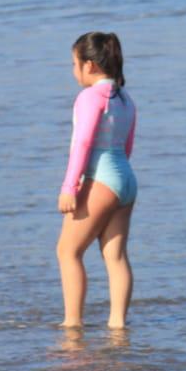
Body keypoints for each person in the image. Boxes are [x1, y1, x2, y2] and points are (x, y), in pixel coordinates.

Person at [57, 31, 138, 330]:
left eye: (74, 64)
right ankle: (118, 326)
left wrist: (70, 186)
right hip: (126, 179)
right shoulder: (126, 99)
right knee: (116, 256)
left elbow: (83, 143)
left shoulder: (90, 97)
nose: (73, 71)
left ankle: (72, 325)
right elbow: (127, 145)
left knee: (68, 251)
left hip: (101, 177)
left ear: (89, 65)